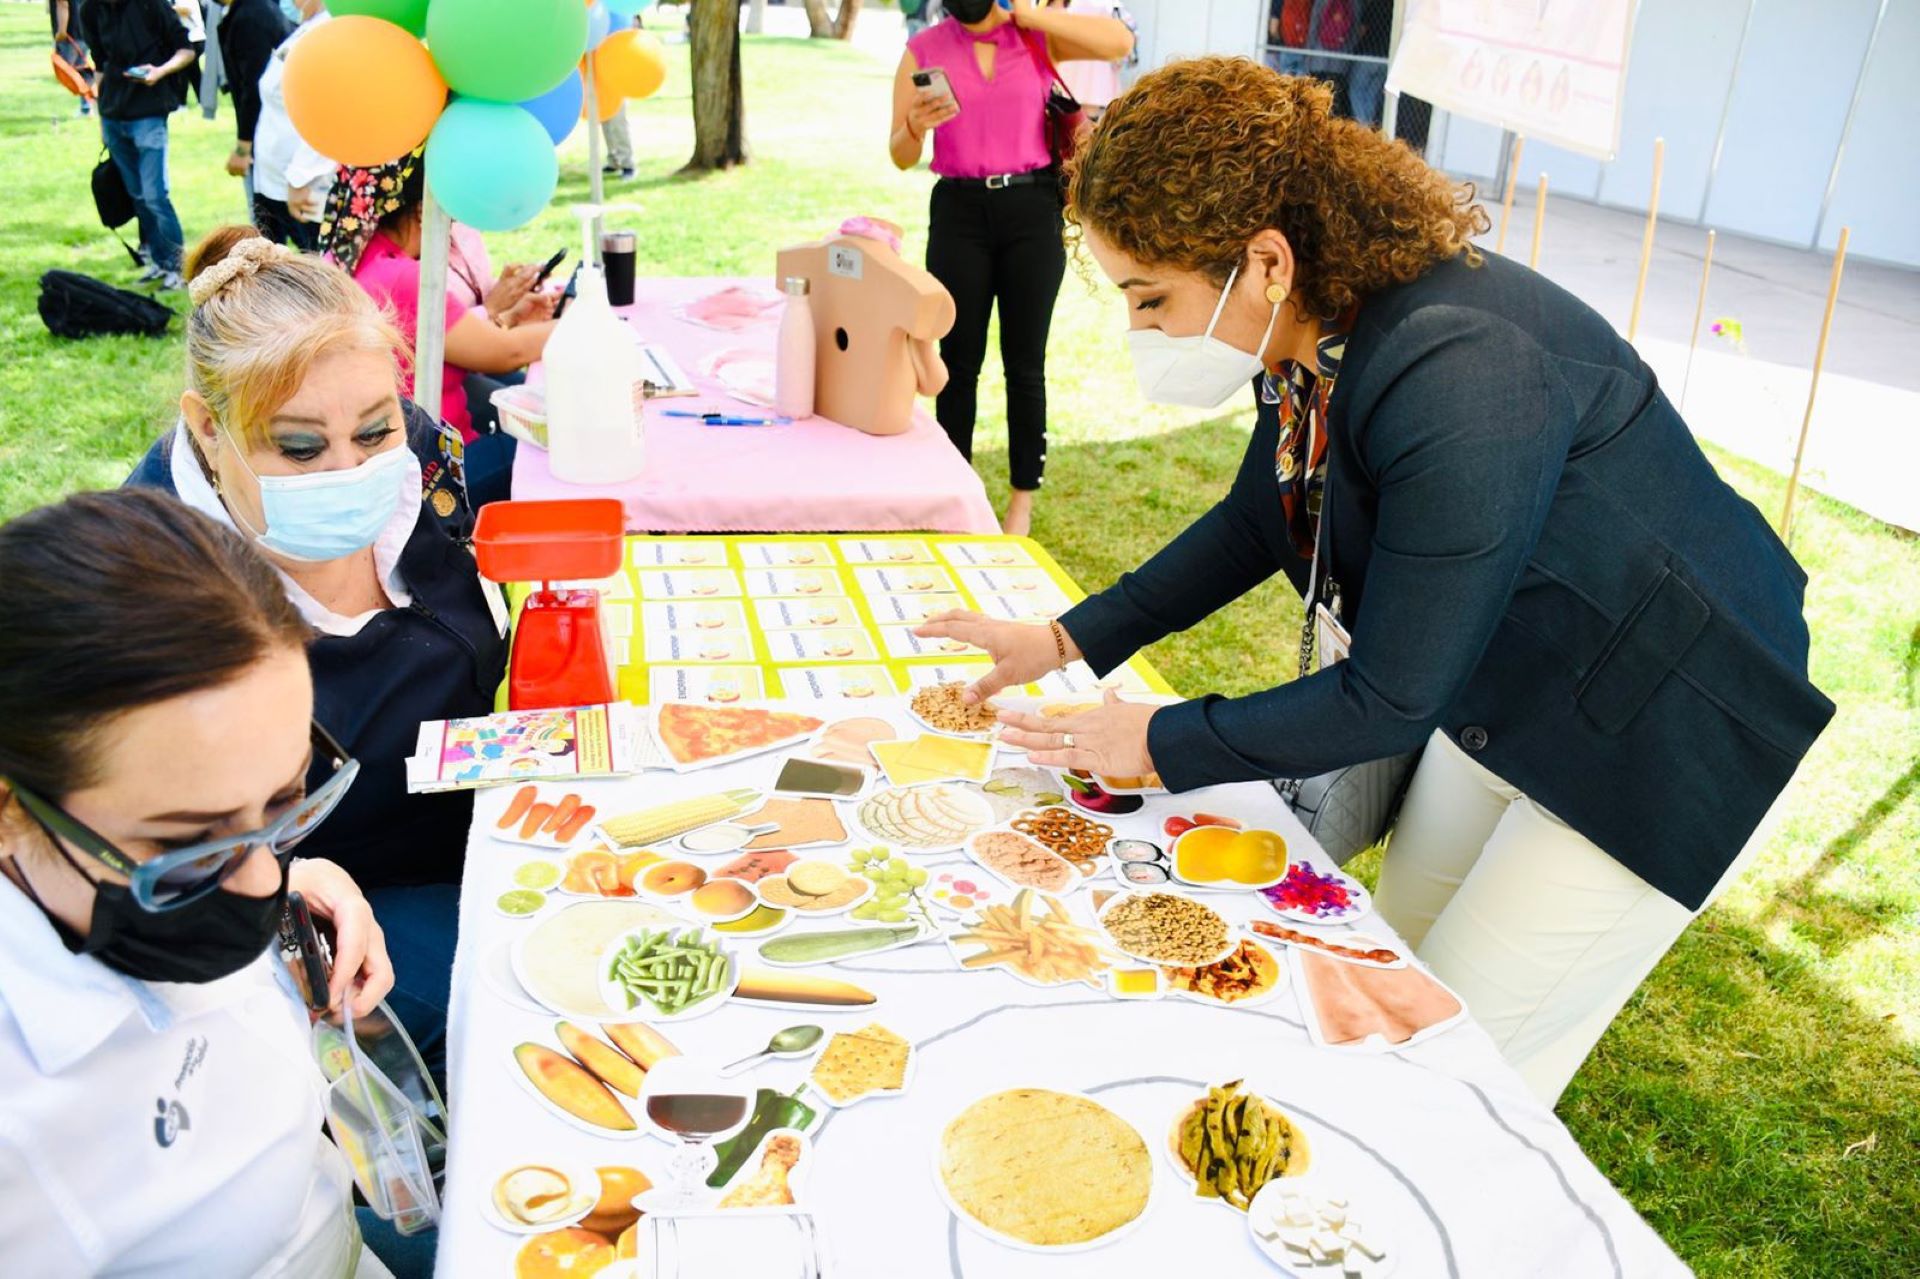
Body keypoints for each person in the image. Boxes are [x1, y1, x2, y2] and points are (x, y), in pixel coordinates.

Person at [915, 60, 1835, 1103]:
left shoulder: (1460, 366)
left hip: (1657, 721)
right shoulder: (1319, 320)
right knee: (1390, 966)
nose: (1142, 328)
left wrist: (1162, 740)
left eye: (1151, 296)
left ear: (1263, 260)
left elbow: (1392, 693)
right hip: (1502, 675)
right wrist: (1065, 639)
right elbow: (1256, 517)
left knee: (1462, 1069)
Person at [125, 227, 510, 1077]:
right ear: (207, 429)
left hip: (485, 837)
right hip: (327, 931)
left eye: (373, 431)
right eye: (299, 448)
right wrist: (276, 882)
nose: (349, 468)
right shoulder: (153, 604)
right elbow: (130, 867)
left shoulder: (416, 457)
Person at [0, 487, 396, 1274]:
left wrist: (307, 878)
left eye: (285, 803)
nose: (258, 884)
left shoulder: (116, 868)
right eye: (189, 847)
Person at [890, 0, 1131, 537]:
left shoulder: (1035, 37)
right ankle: (953, 492)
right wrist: (912, 124)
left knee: (1025, 364)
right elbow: (900, 154)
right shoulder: (922, 50)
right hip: (959, 212)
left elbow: (1118, 43)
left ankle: (1021, 502)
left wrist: (1031, 15)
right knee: (958, 358)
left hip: (1031, 208)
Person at [321, 153, 557, 508]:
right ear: (423, 209)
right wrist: (582, 323)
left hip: (398, 464)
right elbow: (505, 353)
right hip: (436, 473)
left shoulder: (358, 262)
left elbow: (454, 344)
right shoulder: (401, 277)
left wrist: (509, 316)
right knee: (553, 442)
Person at [79, 0, 195, 289]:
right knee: (138, 196)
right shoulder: (91, 10)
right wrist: (102, 120)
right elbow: (100, 63)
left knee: (155, 194)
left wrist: (160, 71)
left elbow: (186, 50)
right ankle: (159, 261)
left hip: (148, 112)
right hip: (113, 113)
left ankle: (180, 267)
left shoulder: (151, 5)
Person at [248, 0, 331, 250]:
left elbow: (326, 114)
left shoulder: (327, 31)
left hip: (307, 185)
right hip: (275, 180)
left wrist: (300, 179)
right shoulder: (305, 27)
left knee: (318, 269)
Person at [213, 0, 289, 196]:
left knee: (267, 215)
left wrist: (243, 146)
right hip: (270, 133)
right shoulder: (251, 9)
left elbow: (254, 85)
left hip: (273, 137)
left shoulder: (251, 17)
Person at [1043, 0, 1135, 122]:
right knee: (1086, 126)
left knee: (1066, 124)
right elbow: (1129, 36)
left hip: (1070, 78)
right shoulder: (1110, 4)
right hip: (1095, 79)